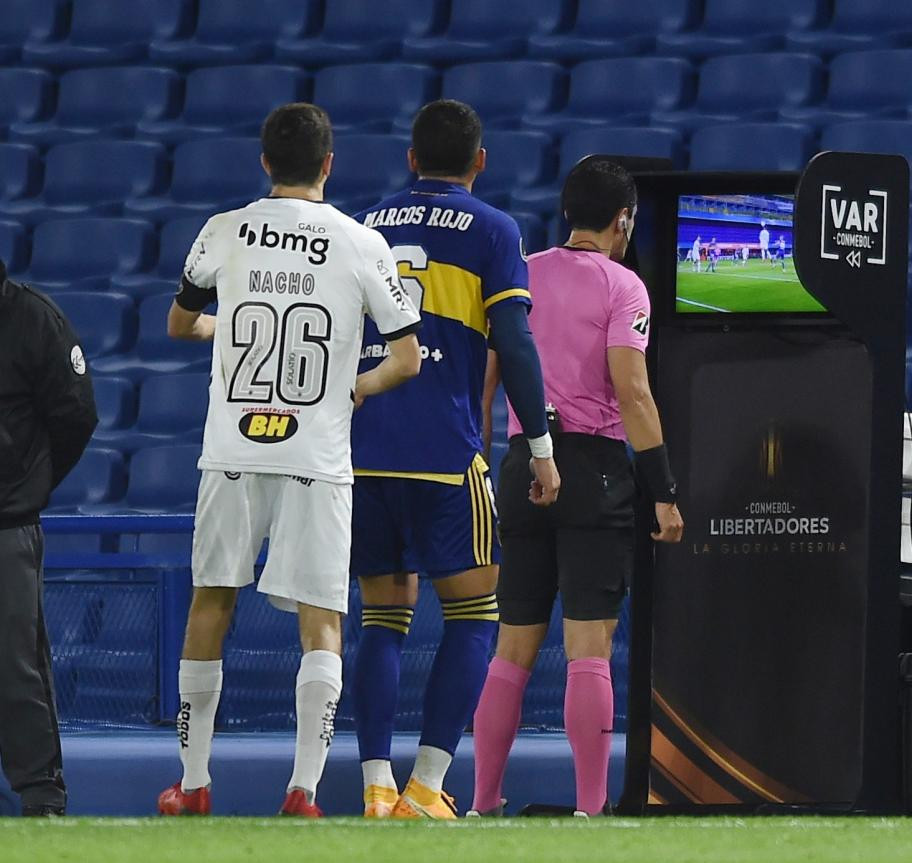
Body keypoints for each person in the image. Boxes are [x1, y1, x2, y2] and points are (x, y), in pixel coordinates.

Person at [156, 103, 423, 818]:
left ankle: (194, 781)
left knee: (211, 600)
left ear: (264, 163)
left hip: (234, 448)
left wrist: (224, 326)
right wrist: (352, 388)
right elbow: (407, 357)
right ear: (328, 164)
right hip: (316, 451)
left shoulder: (224, 230)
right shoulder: (361, 242)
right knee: (322, 617)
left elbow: (180, 322)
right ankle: (302, 789)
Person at [349, 99, 560, 820]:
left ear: (410, 160)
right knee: (474, 615)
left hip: (365, 450)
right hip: (445, 452)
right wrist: (540, 447)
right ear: (479, 162)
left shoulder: (366, 225)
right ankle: (427, 785)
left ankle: (376, 784)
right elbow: (517, 344)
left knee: (381, 619)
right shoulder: (495, 229)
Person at [471, 159, 684, 818]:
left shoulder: (520, 273)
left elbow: (486, 382)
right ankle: (592, 811)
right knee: (588, 645)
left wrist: (484, 462)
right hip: (593, 470)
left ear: (568, 212)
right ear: (623, 220)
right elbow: (635, 391)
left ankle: (483, 803)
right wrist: (664, 489)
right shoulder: (624, 287)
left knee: (511, 646)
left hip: (518, 462)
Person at [0, 260, 97, 817]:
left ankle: (41, 798)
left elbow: (76, 416)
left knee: (16, 666)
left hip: (6, 527)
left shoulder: (34, 319)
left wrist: (25, 484)